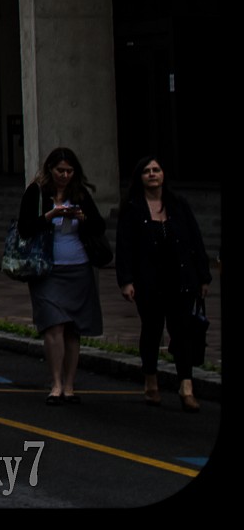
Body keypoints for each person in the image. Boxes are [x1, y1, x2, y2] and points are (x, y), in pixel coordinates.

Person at [16, 146, 112, 405]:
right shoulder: (36, 192)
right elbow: (24, 228)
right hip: (46, 269)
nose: (65, 175)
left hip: (78, 267)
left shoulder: (79, 194)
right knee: (53, 323)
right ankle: (55, 383)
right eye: (60, 170)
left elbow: (99, 226)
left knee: (72, 328)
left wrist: (83, 216)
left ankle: (69, 386)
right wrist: (50, 215)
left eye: (69, 171)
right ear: (50, 169)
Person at [115, 156, 211, 412]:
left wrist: (203, 276)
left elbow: (195, 241)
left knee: (182, 332)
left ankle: (186, 386)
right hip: (149, 282)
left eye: (156, 170)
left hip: (181, 279)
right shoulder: (133, 208)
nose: (152, 174)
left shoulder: (178, 205)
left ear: (163, 174)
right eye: (147, 171)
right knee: (152, 329)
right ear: (140, 177)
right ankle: (150, 380)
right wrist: (126, 281)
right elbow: (124, 247)